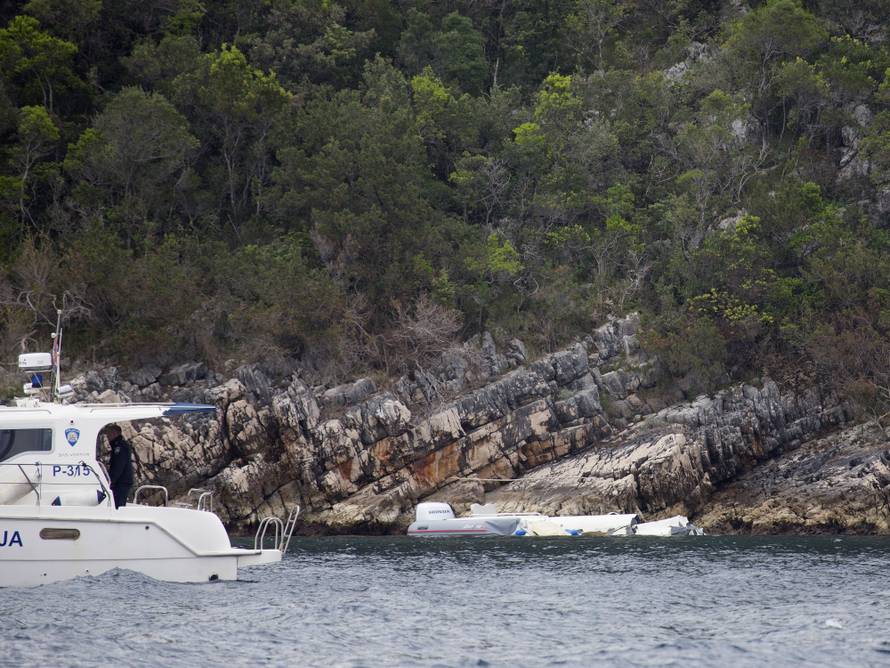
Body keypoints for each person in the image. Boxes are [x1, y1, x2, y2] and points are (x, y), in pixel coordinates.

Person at [104, 424, 133, 508]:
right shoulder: (118, 445)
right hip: (121, 481)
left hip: (121, 482)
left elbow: (118, 466)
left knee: (118, 506)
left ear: (114, 433)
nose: (108, 436)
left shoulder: (119, 447)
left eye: (108, 433)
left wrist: (111, 481)